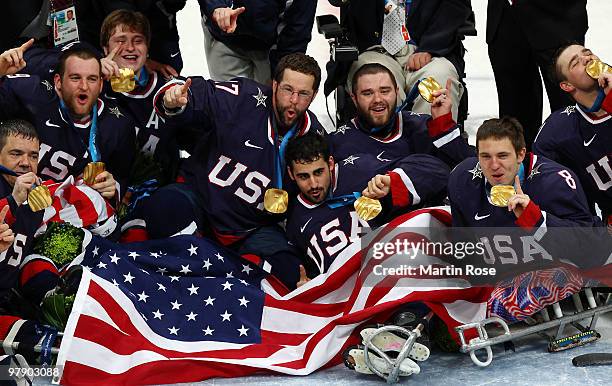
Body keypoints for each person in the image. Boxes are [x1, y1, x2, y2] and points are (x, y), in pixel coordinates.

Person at [148, 53, 324, 288]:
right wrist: (173, 98)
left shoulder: (316, 138)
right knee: (164, 207)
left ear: (313, 96)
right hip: (200, 199)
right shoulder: (245, 97)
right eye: (287, 89)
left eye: (303, 94)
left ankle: (226, 284)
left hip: (253, 228)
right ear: (273, 85)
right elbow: (197, 91)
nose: (293, 100)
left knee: (289, 272)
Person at [285, 133, 449, 279]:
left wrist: (394, 181)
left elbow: (439, 171)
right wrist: (308, 286)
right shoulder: (294, 219)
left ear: (330, 163)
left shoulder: (360, 170)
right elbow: (311, 271)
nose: (313, 184)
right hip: (346, 301)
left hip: (391, 274)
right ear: (291, 174)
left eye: (318, 172)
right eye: (303, 176)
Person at [0, 42, 136, 203]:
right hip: (10, 199)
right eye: (75, 78)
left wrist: (113, 187)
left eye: (92, 79)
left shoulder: (119, 125)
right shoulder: (31, 91)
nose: (84, 86)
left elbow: (120, 177)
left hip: (68, 215)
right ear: (58, 81)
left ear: (100, 85)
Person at [327, 0, 473, 121]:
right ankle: (384, 148)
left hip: (429, 45)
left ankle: (431, 149)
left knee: (439, 77)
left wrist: (430, 47)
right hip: (373, 47)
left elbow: (457, 8)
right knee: (374, 81)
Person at [449, 117, 597, 228]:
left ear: (520, 154)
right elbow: (463, 250)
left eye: (502, 156)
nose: (494, 165)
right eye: (485, 156)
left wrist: (537, 220)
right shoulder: (462, 179)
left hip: (551, 268)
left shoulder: (556, 182)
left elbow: (588, 246)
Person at [99, 10, 187, 197]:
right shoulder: (91, 86)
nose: (130, 47)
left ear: (147, 49)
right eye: (121, 41)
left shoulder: (170, 88)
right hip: (102, 192)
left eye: (138, 41)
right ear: (106, 50)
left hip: (157, 193)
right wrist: (93, 71)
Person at [487, 0, 588, 149]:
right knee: (514, 116)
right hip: (504, 15)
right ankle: (522, 168)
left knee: (569, 112)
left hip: (558, 17)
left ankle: (575, 168)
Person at [330, 63, 472, 169]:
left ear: (397, 92)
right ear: (354, 98)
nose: (378, 99)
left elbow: (469, 166)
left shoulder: (422, 127)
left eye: (385, 91)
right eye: (367, 93)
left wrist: (443, 125)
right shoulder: (338, 142)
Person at [533, 43, 612, 227]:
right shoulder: (557, 133)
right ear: (567, 85)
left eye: (588, 53)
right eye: (575, 63)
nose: (587, 59)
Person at [197, 0, 317, 84]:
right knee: (230, 108)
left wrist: (283, 72)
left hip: (272, 47)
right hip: (224, 38)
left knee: (268, 109)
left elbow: (298, 26)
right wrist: (216, 6)